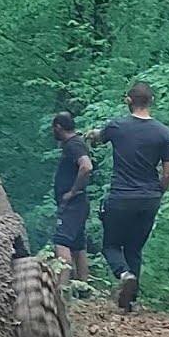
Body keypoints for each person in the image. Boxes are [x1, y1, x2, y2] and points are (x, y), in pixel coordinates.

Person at [85, 82, 169, 312]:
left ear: (128, 101)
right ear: (151, 101)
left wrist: (92, 135)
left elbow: (98, 137)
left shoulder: (117, 126)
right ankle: (130, 302)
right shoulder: (164, 133)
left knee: (111, 246)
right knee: (134, 249)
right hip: (149, 200)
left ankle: (124, 275)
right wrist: (157, 192)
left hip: (121, 197)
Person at [51, 112, 94, 286]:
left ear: (58, 127)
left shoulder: (73, 144)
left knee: (61, 242)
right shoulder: (75, 143)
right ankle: (83, 287)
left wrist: (72, 191)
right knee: (77, 245)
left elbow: (86, 166)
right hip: (79, 204)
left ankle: (62, 289)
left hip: (73, 203)